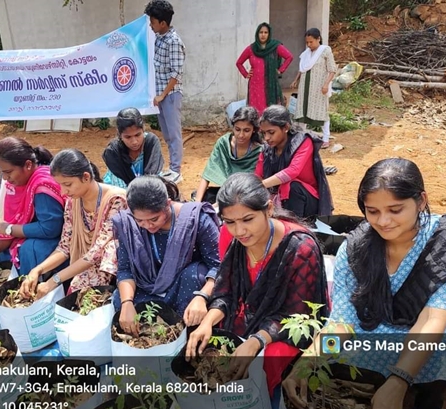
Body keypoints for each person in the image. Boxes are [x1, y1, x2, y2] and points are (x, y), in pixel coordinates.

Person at [283, 158, 446, 409]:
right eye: (373, 211)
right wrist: (308, 361)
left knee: (442, 345)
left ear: (420, 200)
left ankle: (429, 408)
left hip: (424, 326)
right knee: (337, 359)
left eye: (395, 210)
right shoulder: (356, 248)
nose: (383, 221)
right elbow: (342, 322)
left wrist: (399, 381)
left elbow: (431, 320)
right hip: (374, 321)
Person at [186, 173, 329, 393]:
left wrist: (256, 342)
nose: (239, 231)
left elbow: (297, 316)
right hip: (249, 313)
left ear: (268, 209)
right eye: (230, 222)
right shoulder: (233, 237)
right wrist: (207, 322)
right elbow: (226, 291)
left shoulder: (301, 249)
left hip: (284, 327)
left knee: (259, 369)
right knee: (207, 348)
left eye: (248, 219)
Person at [113, 176, 220, 335]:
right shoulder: (127, 224)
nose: (148, 226)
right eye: (140, 221)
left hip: (185, 288)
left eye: (154, 219)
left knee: (193, 275)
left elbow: (219, 265)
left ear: (168, 204)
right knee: (119, 300)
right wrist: (127, 302)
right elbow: (125, 269)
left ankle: (185, 334)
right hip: (147, 288)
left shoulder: (196, 219)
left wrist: (202, 296)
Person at [20, 149, 128, 298]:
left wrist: (54, 280)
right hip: (85, 265)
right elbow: (65, 247)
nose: (63, 192)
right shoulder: (73, 202)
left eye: (68, 184)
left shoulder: (116, 200)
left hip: (113, 268)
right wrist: (37, 270)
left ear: (85, 177)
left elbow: (97, 252)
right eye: (61, 186)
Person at [0, 137, 65, 277]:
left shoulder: (42, 186)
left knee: (29, 249)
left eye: (8, 172)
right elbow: (8, 225)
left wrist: (9, 229)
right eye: (2, 173)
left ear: (28, 165)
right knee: (3, 254)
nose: (5, 178)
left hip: (57, 242)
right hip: (28, 236)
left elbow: (50, 228)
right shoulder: (14, 186)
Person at [256, 105, 333, 219]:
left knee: (292, 186)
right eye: (263, 133)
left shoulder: (303, 142)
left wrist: (260, 185)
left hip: (307, 201)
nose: (266, 138)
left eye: (271, 132)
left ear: (286, 127)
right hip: (277, 199)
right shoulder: (267, 149)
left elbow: (292, 171)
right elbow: (258, 175)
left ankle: (295, 227)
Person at [144, 0, 185, 183]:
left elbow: (176, 73)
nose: (151, 26)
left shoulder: (173, 41)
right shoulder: (159, 38)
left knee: (174, 133)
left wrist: (162, 94)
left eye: (152, 22)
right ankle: (172, 168)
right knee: (167, 134)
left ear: (162, 23)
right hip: (161, 96)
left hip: (170, 95)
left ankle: (176, 170)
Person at [194, 106, 263, 204]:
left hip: (245, 195)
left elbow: (252, 185)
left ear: (254, 130)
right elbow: (208, 174)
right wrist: (196, 202)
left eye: (246, 130)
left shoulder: (259, 151)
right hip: (224, 191)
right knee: (199, 196)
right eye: (237, 129)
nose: (241, 135)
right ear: (233, 127)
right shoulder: (223, 143)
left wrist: (220, 204)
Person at [291, 28, 336, 149]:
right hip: (305, 87)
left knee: (321, 111)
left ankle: (326, 138)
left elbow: (332, 70)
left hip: (319, 88)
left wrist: (326, 84)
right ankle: (300, 136)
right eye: (307, 42)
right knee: (303, 110)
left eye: (311, 42)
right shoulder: (306, 53)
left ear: (318, 39)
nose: (309, 44)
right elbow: (302, 69)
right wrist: (295, 80)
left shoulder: (325, 51)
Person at [236, 23, 293, 114]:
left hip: (270, 84)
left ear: (269, 34)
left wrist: (280, 70)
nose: (263, 35)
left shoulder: (275, 46)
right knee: (255, 110)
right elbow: (239, 63)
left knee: (270, 110)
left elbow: (289, 57)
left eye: (265, 32)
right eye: (261, 32)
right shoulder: (252, 48)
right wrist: (246, 74)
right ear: (257, 34)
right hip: (255, 84)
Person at [102, 108, 164, 189]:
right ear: (120, 135)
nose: (134, 142)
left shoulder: (151, 142)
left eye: (138, 135)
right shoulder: (113, 152)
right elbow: (120, 188)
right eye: (128, 137)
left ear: (143, 129)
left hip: (149, 187)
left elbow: (153, 177)